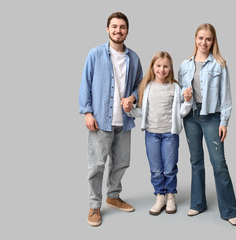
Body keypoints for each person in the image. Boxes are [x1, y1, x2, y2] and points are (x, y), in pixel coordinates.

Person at [79, 12, 143, 227]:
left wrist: (133, 97)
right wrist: (87, 112)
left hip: (124, 121)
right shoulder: (95, 54)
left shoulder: (133, 58)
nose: (118, 30)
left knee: (122, 162)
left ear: (127, 30)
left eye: (122, 27)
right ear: (107, 29)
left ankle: (113, 196)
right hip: (100, 120)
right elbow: (85, 84)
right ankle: (94, 205)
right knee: (97, 164)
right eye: (114, 26)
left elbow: (140, 85)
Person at [178, 23, 236, 226]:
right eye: (200, 38)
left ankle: (230, 209)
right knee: (196, 161)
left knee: (219, 163)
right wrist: (184, 94)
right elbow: (178, 94)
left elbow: (226, 96)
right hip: (191, 117)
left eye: (208, 39)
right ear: (195, 39)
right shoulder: (184, 65)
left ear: (213, 41)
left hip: (212, 117)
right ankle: (197, 203)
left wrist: (224, 122)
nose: (204, 42)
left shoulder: (219, 64)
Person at [124, 51, 192, 216]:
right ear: (153, 67)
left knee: (169, 168)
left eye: (165, 66)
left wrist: (188, 101)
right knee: (155, 169)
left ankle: (170, 196)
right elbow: (141, 112)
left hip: (170, 134)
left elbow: (181, 112)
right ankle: (159, 196)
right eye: (158, 66)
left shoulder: (175, 88)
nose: (162, 69)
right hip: (151, 134)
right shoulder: (146, 87)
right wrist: (128, 110)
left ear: (170, 68)